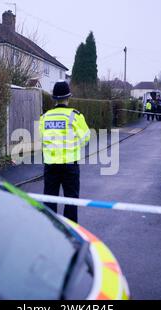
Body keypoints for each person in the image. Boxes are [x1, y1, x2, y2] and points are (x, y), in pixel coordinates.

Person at [39, 81, 90, 223]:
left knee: (49, 201)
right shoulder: (75, 116)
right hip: (70, 166)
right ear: (68, 97)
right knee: (71, 201)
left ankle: (50, 231)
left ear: (54, 98)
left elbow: (43, 138)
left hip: (50, 166)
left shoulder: (45, 117)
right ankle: (71, 234)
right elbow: (86, 137)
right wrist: (73, 145)